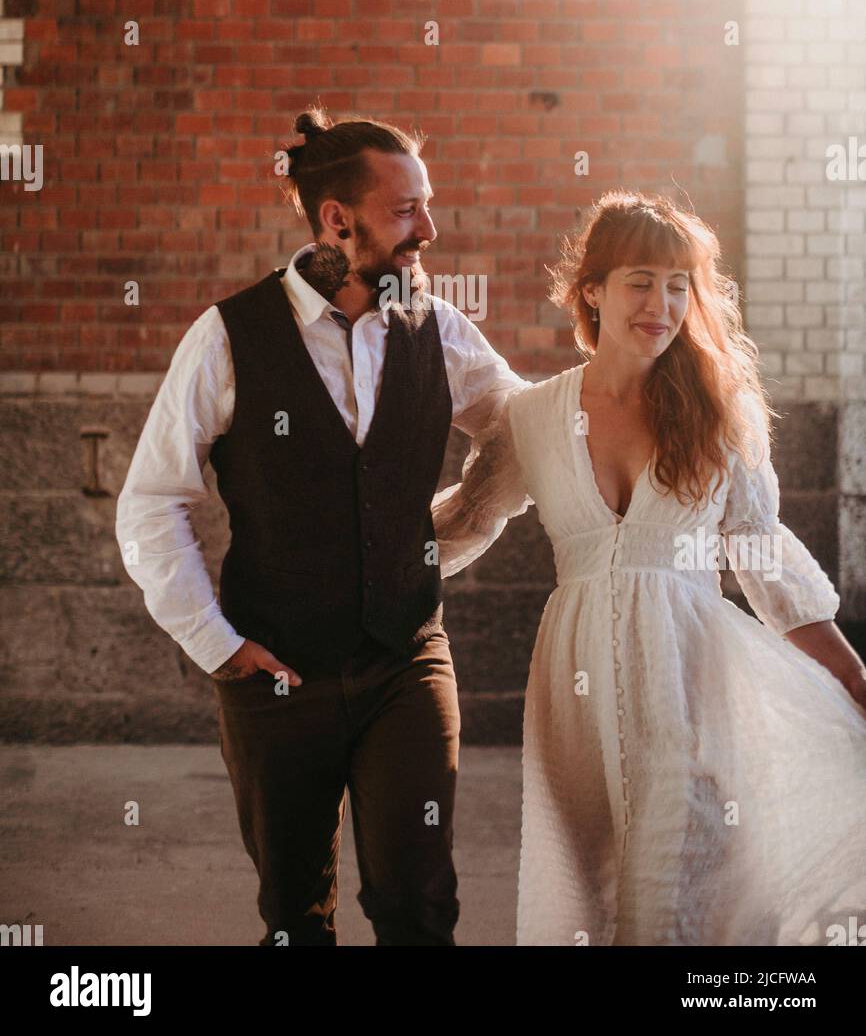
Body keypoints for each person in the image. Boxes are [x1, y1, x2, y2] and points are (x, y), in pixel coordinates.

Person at [115, 103, 531, 946]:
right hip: (275, 669)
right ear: (337, 219)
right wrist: (217, 643)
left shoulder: (441, 330)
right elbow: (152, 498)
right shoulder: (228, 337)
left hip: (405, 658)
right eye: (407, 210)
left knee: (419, 905)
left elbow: (524, 437)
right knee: (294, 917)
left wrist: (444, 536)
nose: (430, 230)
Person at [431, 189, 866, 946]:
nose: (661, 304)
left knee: (668, 888)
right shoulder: (532, 417)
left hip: (691, 680)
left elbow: (762, 553)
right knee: (592, 894)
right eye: (641, 281)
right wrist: (352, 576)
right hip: (576, 690)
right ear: (590, 290)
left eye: (678, 285)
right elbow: (470, 519)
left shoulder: (718, 409)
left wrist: (851, 676)